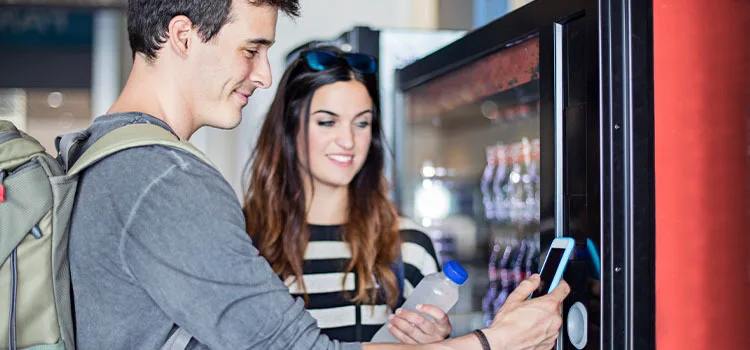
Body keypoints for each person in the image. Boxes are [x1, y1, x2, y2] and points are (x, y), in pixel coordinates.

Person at [67, 0, 570, 349]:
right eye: (250, 49)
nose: (262, 74)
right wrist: (496, 341)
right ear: (182, 36)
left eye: (363, 123)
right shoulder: (166, 181)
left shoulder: (106, 159)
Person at [244, 47, 450, 343]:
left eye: (362, 123)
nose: (348, 141)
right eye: (327, 122)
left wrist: (438, 342)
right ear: (288, 128)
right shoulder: (242, 242)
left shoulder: (408, 247)